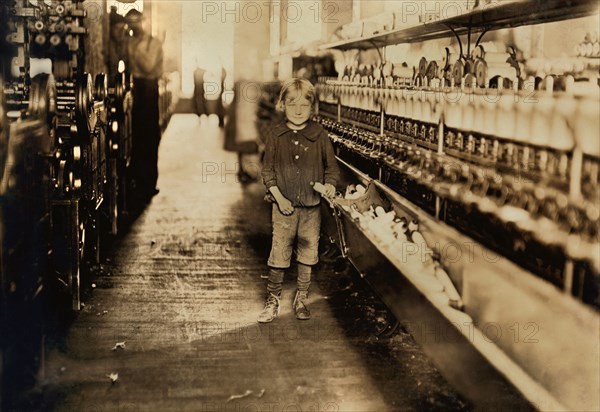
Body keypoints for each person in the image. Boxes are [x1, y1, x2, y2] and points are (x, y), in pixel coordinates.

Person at [258, 78, 340, 323]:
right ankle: (272, 300)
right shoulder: (276, 135)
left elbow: (332, 170)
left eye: (304, 106)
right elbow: (268, 172)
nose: (297, 110)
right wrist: (279, 199)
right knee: (279, 252)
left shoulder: (320, 135)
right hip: (282, 207)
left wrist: (329, 186)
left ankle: (302, 297)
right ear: (282, 105)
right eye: (291, 104)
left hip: (312, 208)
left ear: (313, 108)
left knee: (307, 253)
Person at [125, 9, 163, 203]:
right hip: (137, 89)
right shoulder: (130, 42)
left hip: (149, 88)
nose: (132, 26)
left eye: (135, 22)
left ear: (142, 22)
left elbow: (148, 67)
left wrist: (133, 48)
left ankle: (149, 183)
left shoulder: (153, 43)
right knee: (137, 137)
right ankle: (138, 182)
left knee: (150, 136)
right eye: (129, 23)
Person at [107, 7, 127, 84]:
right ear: (109, 29)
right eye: (117, 28)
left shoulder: (123, 44)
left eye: (122, 29)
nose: (121, 32)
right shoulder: (107, 45)